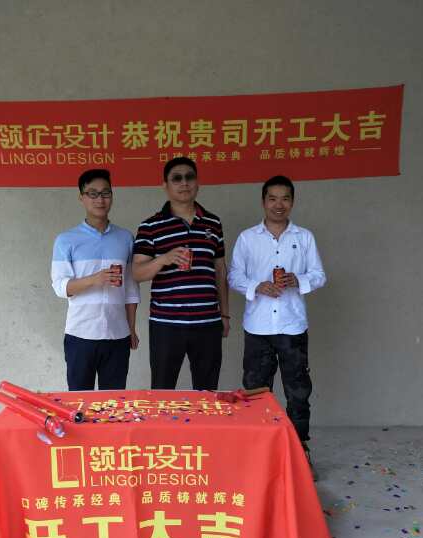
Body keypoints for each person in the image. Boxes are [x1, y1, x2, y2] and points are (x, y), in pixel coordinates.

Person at [228, 175, 326, 475]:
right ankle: (258, 450)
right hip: (258, 328)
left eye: (285, 198)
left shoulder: (304, 237)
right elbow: (234, 276)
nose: (278, 204)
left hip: (292, 326)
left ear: (292, 202)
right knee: (256, 391)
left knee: (298, 391)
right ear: (263, 202)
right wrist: (257, 286)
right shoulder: (248, 238)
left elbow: (319, 275)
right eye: (272, 198)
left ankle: (300, 449)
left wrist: (300, 280)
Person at [132, 157, 229, 390]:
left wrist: (225, 315)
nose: (184, 183)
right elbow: (136, 273)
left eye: (189, 177)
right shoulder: (151, 226)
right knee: (163, 391)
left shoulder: (213, 223)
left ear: (197, 183)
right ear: (165, 186)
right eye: (177, 178)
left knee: (207, 392)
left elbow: (220, 270)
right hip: (166, 324)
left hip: (208, 322)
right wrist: (164, 259)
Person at [51, 169, 140, 390]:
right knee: (80, 400)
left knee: (114, 402)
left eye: (105, 193)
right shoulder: (66, 240)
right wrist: (94, 279)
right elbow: (60, 287)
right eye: (92, 193)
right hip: (80, 334)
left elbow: (131, 288)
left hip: (118, 335)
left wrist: (131, 328)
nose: (100, 199)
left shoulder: (125, 238)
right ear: (81, 197)